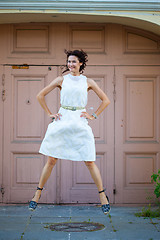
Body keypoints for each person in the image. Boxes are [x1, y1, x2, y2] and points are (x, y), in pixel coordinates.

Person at [29, 49, 111, 214]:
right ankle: (37, 195)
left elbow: (106, 100)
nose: (70, 64)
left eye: (74, 61)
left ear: (81, 63)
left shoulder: (88, 82)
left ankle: (103, 196)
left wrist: (93, 115)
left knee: (89, 160)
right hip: (63, 119)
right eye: (69, 61)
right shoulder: (61, 79)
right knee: (51, 160)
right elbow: (40, 95)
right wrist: (49, 113)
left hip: (79, 121)